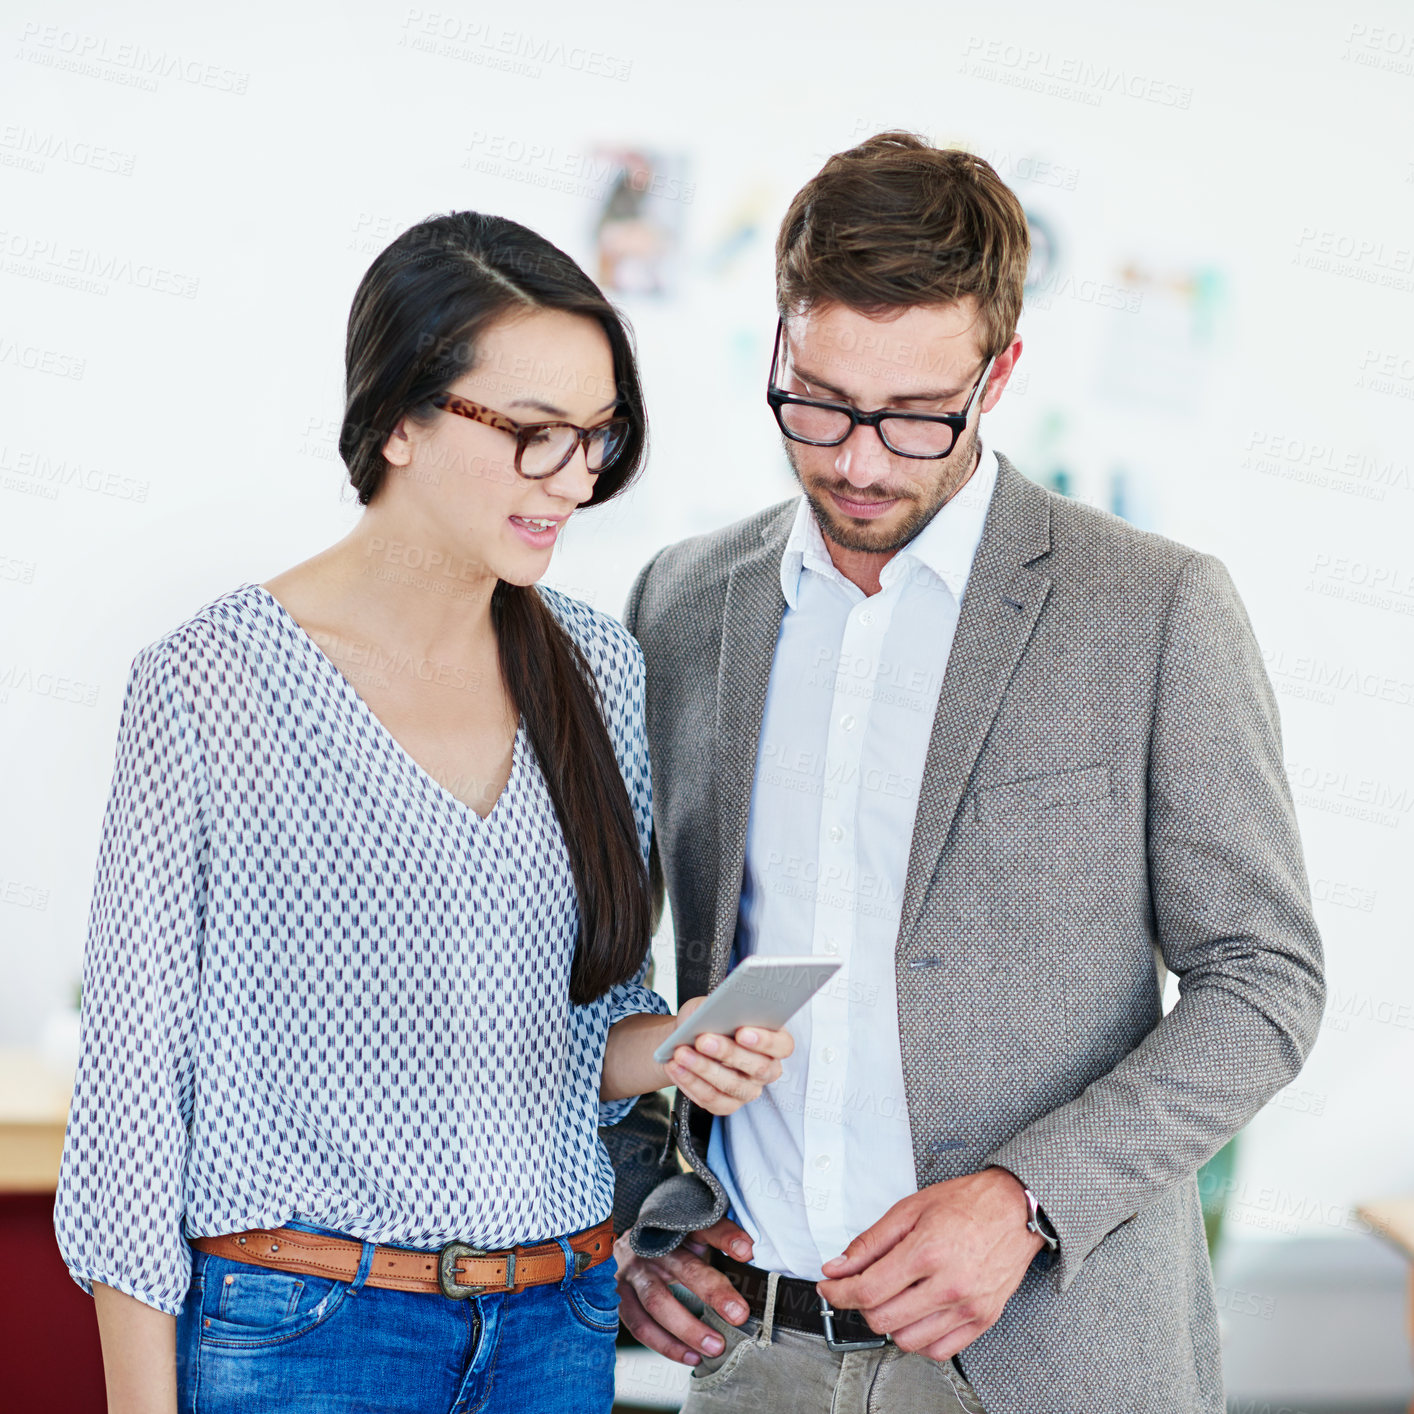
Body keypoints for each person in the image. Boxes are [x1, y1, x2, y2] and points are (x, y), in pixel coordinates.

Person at [604, 133, 1326, 1414]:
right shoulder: (679, 603)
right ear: (777, 342)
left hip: (1050, 1359)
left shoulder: (1151, 608)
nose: (861, 460)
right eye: (820, 402)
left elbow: (1263, 980)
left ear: (998, 374)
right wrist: (635, 1207)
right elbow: (608, 972)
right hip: (752, 1357)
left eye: (916, 415)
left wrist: (1026, 1201)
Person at [52, 210, 793, 1414]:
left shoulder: (599, 672)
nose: (573, 479)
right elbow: (132, 1110)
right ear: (399, 418)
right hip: (305, 1333)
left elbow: (574, 1039)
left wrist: (685, 1043)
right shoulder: (210, 685)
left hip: (556, 1327)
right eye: (533, 435)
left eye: (597, 436)